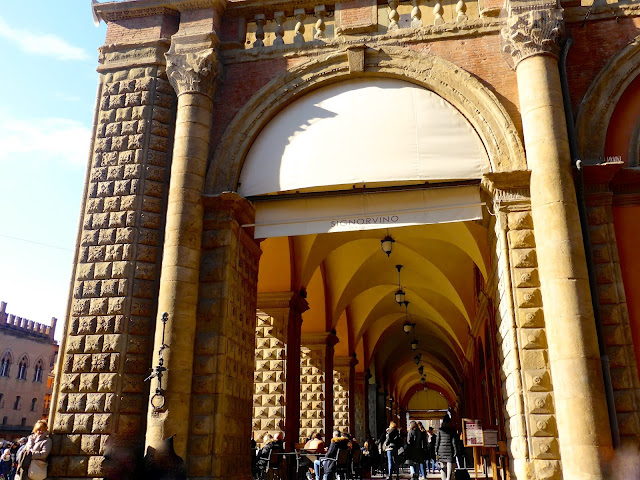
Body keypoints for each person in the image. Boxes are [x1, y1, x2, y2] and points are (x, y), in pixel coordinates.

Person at [435, 415, 457, 480]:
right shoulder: (452, 430)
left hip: (441, 450)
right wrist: (455, 450)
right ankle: (448, 478)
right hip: (450, 450)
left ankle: (443, 478)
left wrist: (436, 450)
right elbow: (454, 442)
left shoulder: (440, 430)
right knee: (449, 466)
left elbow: (437, 442)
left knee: (443, 467)